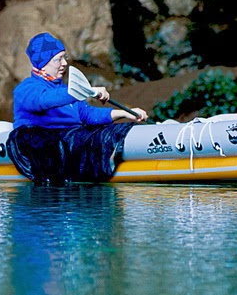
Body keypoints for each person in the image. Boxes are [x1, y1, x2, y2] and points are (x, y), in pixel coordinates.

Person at [8, 32, 148, 184]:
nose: (64, 64)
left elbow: (88, 114)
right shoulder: (27, 89)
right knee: (81, 139)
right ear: (43, 63)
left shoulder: (66, 91)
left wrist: (126, 113)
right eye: (58, 59)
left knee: (99, 132)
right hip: (40, 140)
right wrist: (87, 91)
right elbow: (43, 100)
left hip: (71, 137)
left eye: (64, 57)